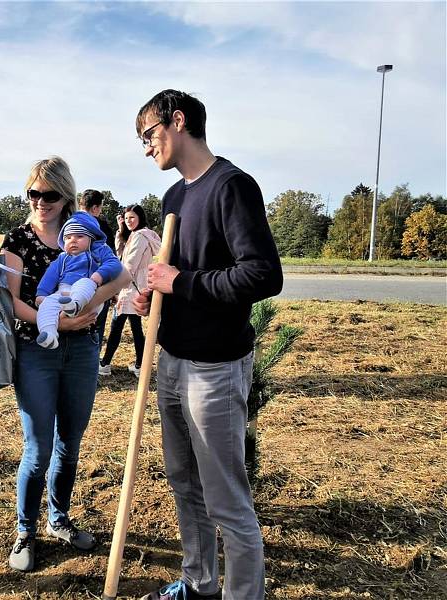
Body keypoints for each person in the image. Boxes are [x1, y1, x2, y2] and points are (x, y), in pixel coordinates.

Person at [132, 90, 283, 600]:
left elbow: (263, 274)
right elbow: (179, 271)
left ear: (177, 122)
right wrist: (153, 294)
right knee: (185, 486)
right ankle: (199, 586)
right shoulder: (175, 196)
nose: (147, 147)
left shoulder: (232, 186)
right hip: (172, 360)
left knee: (226, 501)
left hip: (215, 369)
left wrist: (183, 283)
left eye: (148, 135)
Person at [1, 157, 129, 572]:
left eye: (50, 194)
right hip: (37, 348)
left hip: (83, 351)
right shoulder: (18, 239)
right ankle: (25, 531)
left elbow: (122, 277)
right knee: (38, 449)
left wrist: (88, 303)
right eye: (33, 193)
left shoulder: (89, 234)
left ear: (66, 194)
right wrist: (57, 319)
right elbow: (10, 300)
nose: (41, 201)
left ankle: (59, 519)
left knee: (69, 444)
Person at [35, 211, 122, 349]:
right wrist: (42, 294)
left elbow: (115, 264)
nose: (73, 240)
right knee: (47, 304)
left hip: (89, 292)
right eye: (68, 237)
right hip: (63, 293)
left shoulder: (99, 252)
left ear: (92, 238)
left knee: (84, 283)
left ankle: (75, 305)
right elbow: (50, 275)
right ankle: (49, 334)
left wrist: (99, 275)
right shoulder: (63, 258)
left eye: (79, 236)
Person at [98, 205, 160, 378]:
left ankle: (105, 363)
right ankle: (140, 365)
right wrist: (120, 230)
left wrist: (115, 286)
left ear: (140, 217)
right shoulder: (138, 235)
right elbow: (121, 254)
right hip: (135, 286)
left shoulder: (140, 236)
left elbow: (129, 264)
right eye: (126, 219)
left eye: (132, 218)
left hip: (131, 287)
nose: (129, 221)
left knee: (117, 326)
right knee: (134, 327)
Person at [78, 189, 116, 352]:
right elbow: (111, 260)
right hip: (99, 284)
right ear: (95, 208)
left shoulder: (69, 222)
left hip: (72, 283)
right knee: (96, 325)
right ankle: (93, 359)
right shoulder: (102, 227)